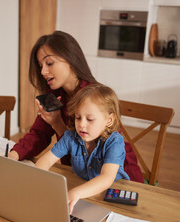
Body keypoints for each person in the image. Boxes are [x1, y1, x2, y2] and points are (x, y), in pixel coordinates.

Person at [8, 30, 144, 183]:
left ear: (70, 58)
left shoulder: (94, 96)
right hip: (83, 177)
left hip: (119, 177)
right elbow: (39, 134)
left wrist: (58, 124)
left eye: (49, 63)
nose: (43, 72)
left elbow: (94, 150)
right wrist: (12, 156)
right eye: (41, 66)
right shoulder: (54, 96)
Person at [36, 84, 129, 214]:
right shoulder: (70, 137)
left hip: (110, 196)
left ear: (109, 120)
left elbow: (106, 178)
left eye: (90, 119)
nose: (81, 125)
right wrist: (38, 179)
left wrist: (76, 192)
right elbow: (45, 161)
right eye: (78, 118)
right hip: (80, 190)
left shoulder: (114, 142)